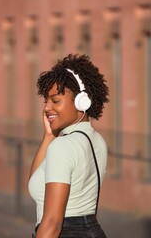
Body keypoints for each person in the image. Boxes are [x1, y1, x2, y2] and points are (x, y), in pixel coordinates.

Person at [28, 54, 109, 238]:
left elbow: (53, 223)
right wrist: (49, 136)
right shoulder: (98, 141)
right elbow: (37, 178)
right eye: (46, 101)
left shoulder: (63, 147)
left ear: (82, 101)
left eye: (55, 100)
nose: (47, 107)